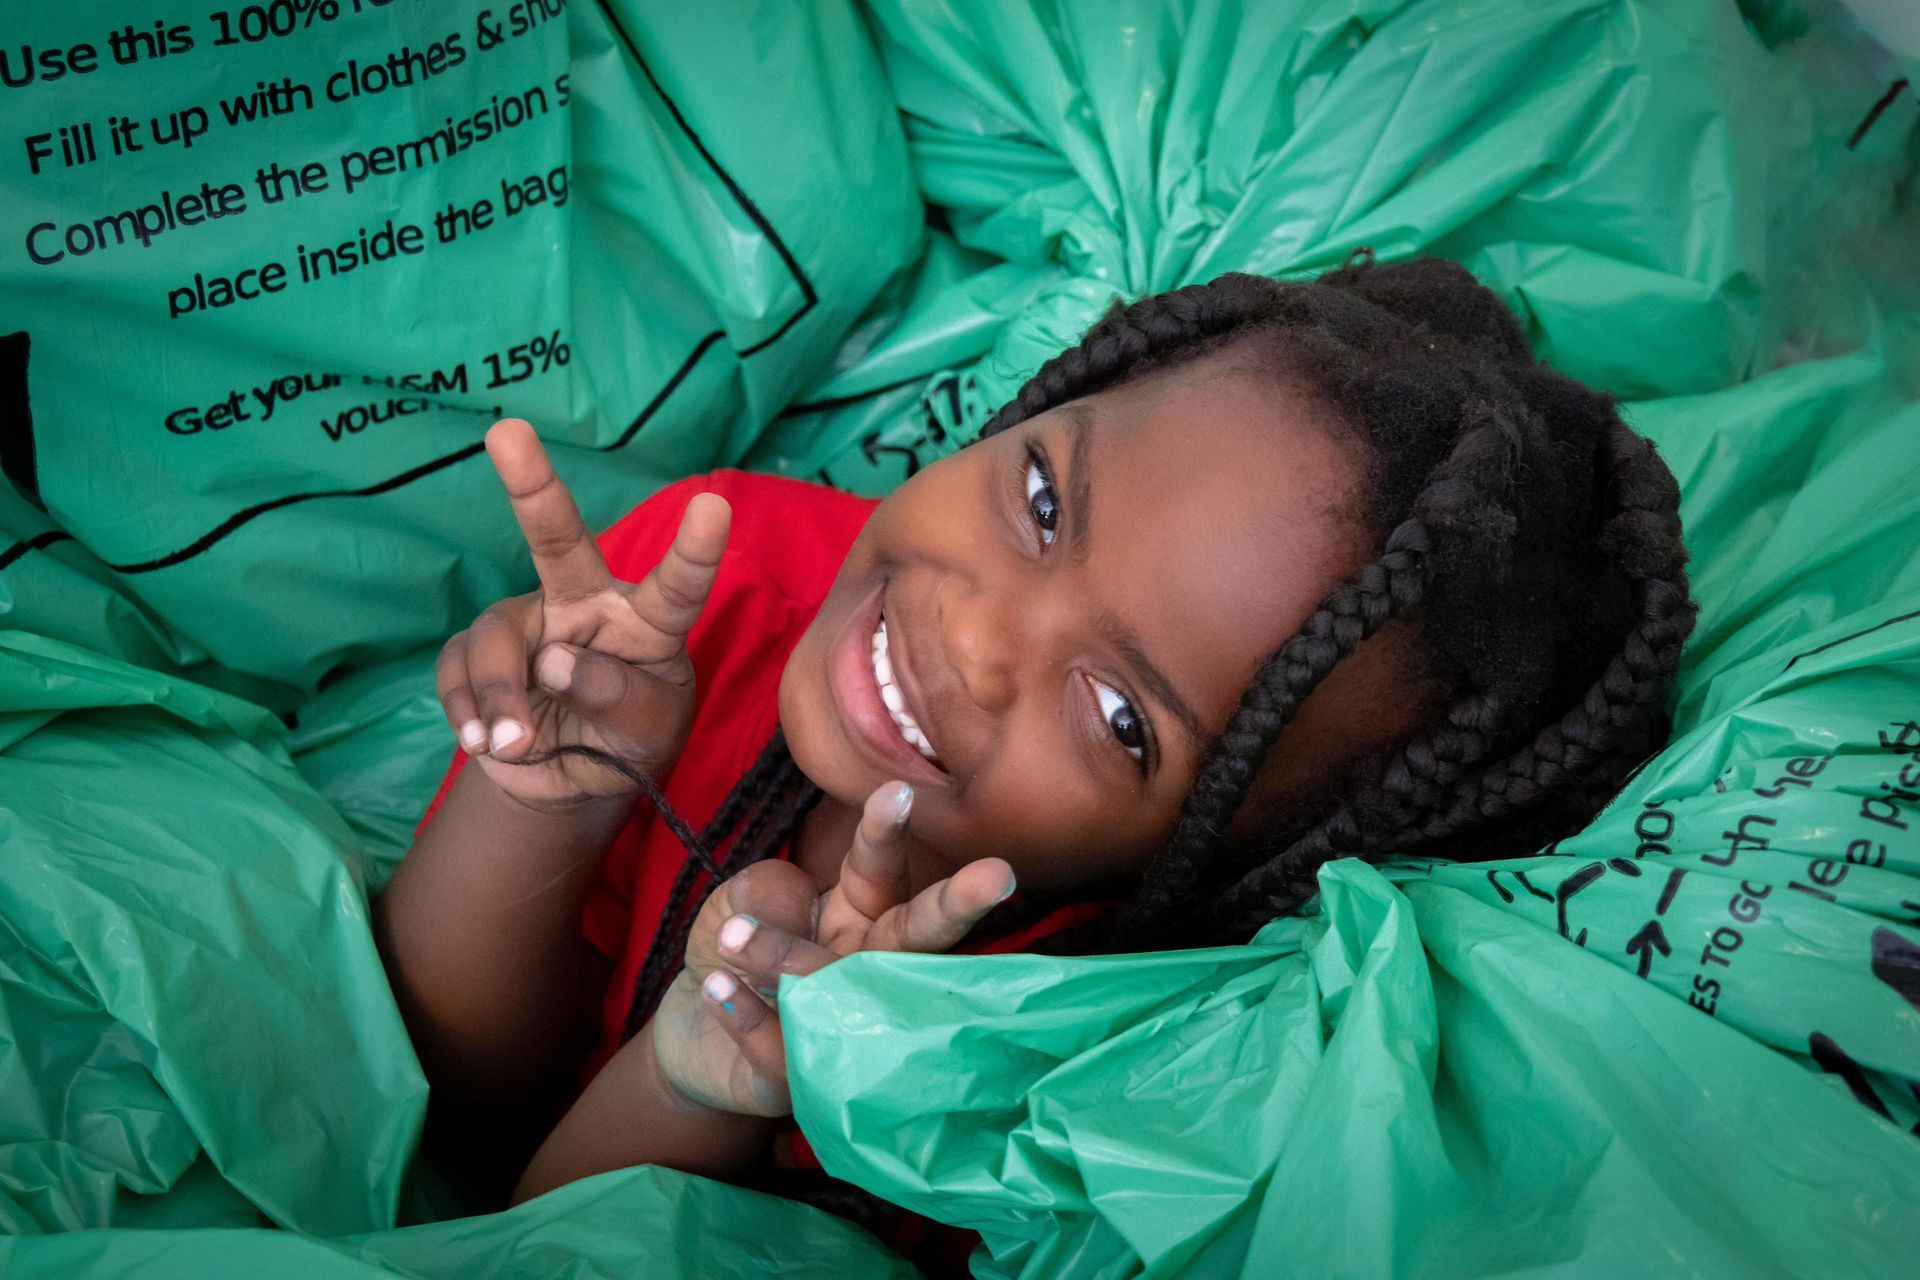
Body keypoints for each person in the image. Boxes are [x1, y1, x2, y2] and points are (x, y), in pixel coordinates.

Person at [373, 253, 1695, 1252]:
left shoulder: (1066, 1049)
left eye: (1123, 717)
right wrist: (537, 802)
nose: (977, 635)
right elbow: (435, 1111)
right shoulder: (717, 590)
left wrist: (705, 1083)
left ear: (1221, 854)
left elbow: (538, 1249)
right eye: (1045, 500)